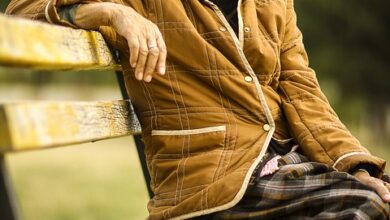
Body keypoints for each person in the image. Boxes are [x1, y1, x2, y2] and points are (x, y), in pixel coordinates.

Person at [6, 0, 390, 219]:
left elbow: (303, 88)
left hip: (283, 163)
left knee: (379, 196)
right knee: (367, 206)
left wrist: (354, 164)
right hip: (210, 178)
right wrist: (111, 12)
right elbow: (22, 14)